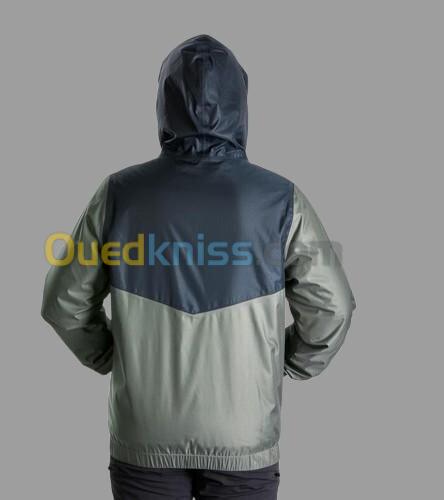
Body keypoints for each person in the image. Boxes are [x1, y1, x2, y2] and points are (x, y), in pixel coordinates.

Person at [41, 34, 356, 500]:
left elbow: (63, 302)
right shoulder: (280, 200)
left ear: (163, 104)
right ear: (241, 105)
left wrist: (109, 356)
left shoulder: (119, 195)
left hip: (145, 432)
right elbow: (332, 308)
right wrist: (290, 364)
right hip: (244, 435)